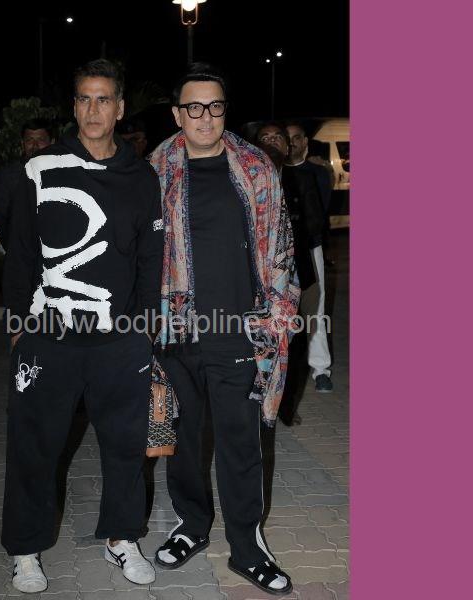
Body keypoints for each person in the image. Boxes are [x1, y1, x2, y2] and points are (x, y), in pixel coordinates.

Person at [0, 59, 163, 593]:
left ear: (120, 108)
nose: (93, 110)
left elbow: (150, 257)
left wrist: (145, 325)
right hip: (48, 335)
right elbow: (20, 251)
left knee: (125, 447)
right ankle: (25, 548)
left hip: (120, 339)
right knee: (34, 446)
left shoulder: (141, 176)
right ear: (74, 106)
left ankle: (122, 537)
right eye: (84, 99)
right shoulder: (40, 167)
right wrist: (18, 322)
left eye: (103, 99)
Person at [148, 64, 299, 596]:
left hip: (240, 332)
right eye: (194, 107)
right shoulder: (154, 171)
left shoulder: (257, 168)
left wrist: (277, 318)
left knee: (241, 445)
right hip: (175, 334)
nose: (205, 116)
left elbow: (280, 246)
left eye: (214, 106)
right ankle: (191, 526)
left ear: (224, 110)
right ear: (177, 114)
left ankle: (247, 548)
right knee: (184, 441)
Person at [257, 122, 324, 425]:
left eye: (277, 137)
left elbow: (315, 226)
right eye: (265, 137)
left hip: (298, 276)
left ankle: (287, 407)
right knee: (262, 344)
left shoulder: (302, 178)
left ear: (288, 146)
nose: (271, 141)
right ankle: (259, 403)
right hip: (261, 282)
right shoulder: (248, 180)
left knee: (295, 346)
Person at [285, 121, 334, 393]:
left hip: (310, 249)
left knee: (315, 308)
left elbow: (320, 213)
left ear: (305, 142)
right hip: (279, 252)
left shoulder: (318, 172)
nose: (292, 143)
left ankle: (320, 368)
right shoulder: (272, 170)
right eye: (287, 138)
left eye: (296, 138)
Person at [0, 119, 55, 251]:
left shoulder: (63, 174)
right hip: (20, 251)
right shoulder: (9, 176)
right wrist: (12, 249)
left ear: (52, 142)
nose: (35, 145)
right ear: (22, 143)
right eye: (29, 140)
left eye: (41, 140)